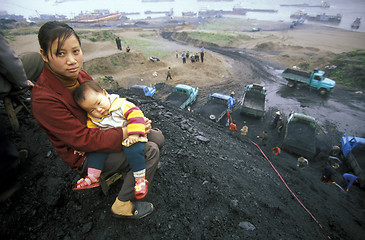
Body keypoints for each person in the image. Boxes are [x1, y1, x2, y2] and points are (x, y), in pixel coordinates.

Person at [31, 21, 164, 219]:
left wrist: (134, 121)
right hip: (86, 153)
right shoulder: (44, 99)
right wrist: (128, 130)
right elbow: (82, 139)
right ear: (44, 55)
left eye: (75, 51)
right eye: (60, 53)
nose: (71, 60)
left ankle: (138, 169)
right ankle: (122, 205)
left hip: (106, 129)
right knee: (150, 151)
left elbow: (105, 104)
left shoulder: (80, 76)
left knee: (157, 137)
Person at [72, 81, 150, 200]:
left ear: (105, 93)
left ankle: (140, 179)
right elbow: (91, 134)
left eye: (99, 103)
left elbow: (136, 113)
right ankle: (92, 177)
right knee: (96, 151)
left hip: (129, 137)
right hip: (110, 141)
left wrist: (134, 133)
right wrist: (84, 148)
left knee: (134, 151)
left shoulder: (120, 105)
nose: (98, 109)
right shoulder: (92, 119)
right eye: (92, 110)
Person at [0, 33, 34, 98]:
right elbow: (9, 64)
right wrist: (25, 83)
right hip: (2, 87)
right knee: (36, 58)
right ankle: (44, 97)